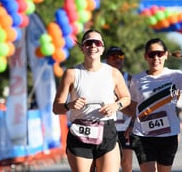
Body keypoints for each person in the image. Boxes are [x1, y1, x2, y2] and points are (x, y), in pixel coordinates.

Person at [52, 29, 131, 172]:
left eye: (97, 43)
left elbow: (126, 98)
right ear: (82, 48)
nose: (93, 46)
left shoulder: (113, 73)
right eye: (88, 43)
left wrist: (116, 105)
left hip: (107, 131)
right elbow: (56, 108)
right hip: (80, 132)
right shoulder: (71, 73)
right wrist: (69, 105)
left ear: (102, 49)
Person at [128, 38, 182, 172]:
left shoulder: (176, 76)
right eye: (152, 54)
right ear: (146, 56)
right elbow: (133, 109)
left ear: (166, 55)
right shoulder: (136, 80)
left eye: (160, 53)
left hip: (168, 135)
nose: (156, 58)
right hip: (143, 136)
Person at [105, 46, 134, 172]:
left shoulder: (131, 79)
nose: (118, 59)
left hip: (125, 128)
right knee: (109, 165)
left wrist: (132, 124)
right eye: (114, 57)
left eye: (120, 56)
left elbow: (135, 105)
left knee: (127, 164)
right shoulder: (101, 78)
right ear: (107, 60)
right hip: (106, 126)